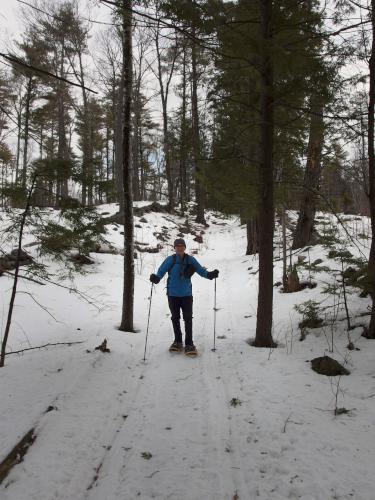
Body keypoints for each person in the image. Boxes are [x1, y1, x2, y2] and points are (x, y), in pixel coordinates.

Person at [149, 238, 219, 356]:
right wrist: (156, 278)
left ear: (184, 247)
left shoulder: (190, 259)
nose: (180, 248)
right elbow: (161, 271)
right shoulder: (170, 259)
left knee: (188, 319)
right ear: (175, 248)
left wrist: (210, 275)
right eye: (177, 246)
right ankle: (177, 341)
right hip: (172, 294)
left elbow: (201, 270)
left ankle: (189, 343)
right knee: (175, 318)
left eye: (182, 246)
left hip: (186, 294)